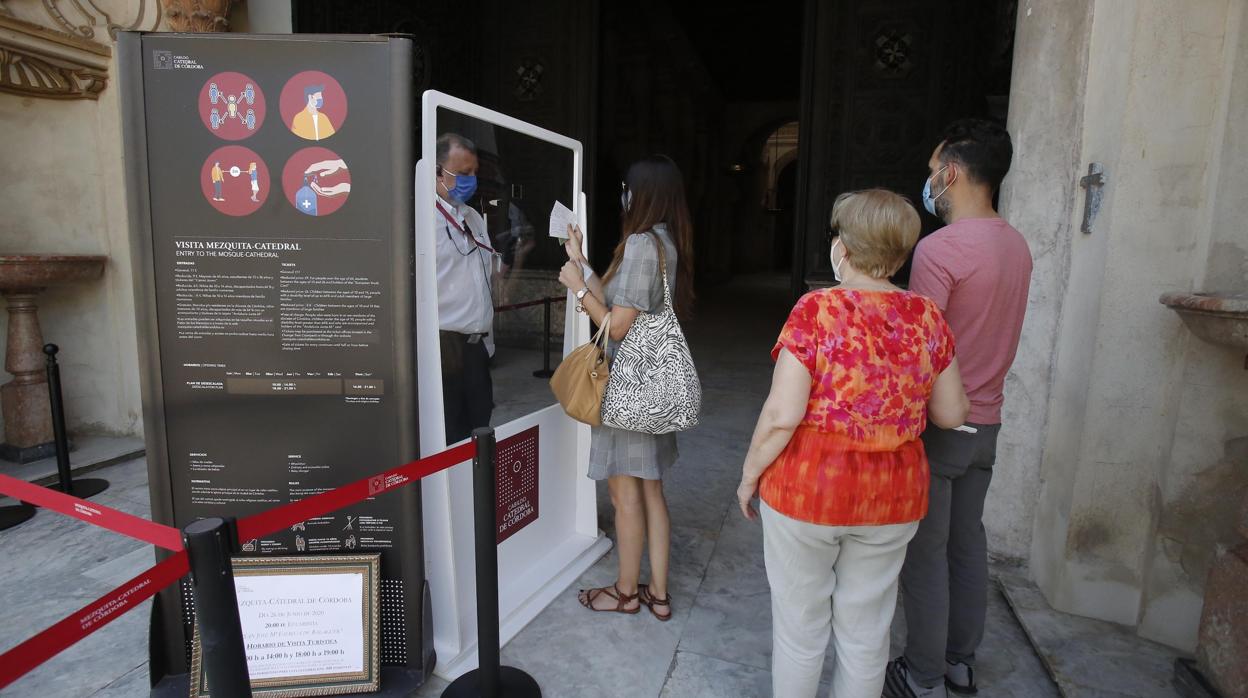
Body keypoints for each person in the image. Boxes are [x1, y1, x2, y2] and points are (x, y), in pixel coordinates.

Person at [736, 189, 970, 698]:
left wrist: (750, 475)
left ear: (842, 247)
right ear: (901, 254)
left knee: (800, 630)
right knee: (867, 633)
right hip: (892, 498)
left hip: (808, 492)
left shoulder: (817, 309)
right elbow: (952, 413)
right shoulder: (927, 315)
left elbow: (781, 415)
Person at [884, 119, 1033, 698]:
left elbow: (922, 348)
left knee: (925, 554)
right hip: (987, 423)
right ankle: (959, 663)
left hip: (942, 426)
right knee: (968, 545)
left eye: (931, 172)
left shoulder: (940, 248)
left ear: (950, 173)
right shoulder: (1015, 244)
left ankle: (921, 675)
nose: (929, 184)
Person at [557, 155, 695, 620]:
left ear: (642, 194)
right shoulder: (663, 241)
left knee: (624, 495)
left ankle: (625, 593)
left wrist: (577, 289)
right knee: (651, 491)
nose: (624, 197)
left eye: (627, 189)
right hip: (654, 383)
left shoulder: (640, 243)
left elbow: (616, 327)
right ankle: (658, 593)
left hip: (629, 387)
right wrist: (581, 261)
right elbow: (620, 303)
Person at [432, 133, 497, 444]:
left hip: (476, 347)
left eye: (474, 172)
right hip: (444, 348)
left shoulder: (472, 217)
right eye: (463, 173)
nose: (471, 180)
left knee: (480, 431)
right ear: (437, 171)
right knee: (450, 433)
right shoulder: (420, 218)